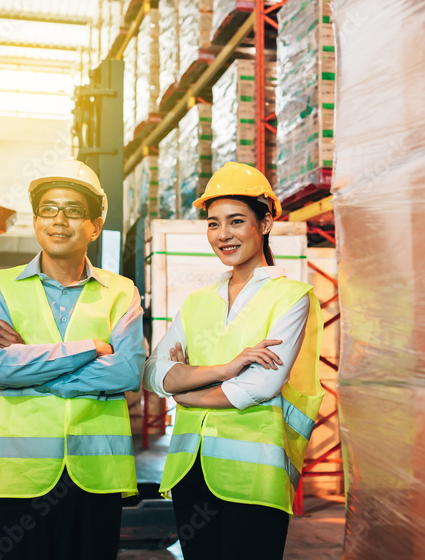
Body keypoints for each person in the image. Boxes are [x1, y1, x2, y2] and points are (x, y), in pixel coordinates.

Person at [142, 162, 324, 560]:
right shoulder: (196, 302)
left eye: (236, 221)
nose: (223, 235)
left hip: (254, 475)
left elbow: (261, 385)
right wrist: (226, 370)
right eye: (213, 223)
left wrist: (188, 392)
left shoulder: (290, 297)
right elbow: (154, 373)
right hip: (191, 471)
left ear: (266, 223)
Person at [0, 159, 144, 560]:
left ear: (95, 226)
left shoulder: (121, 291)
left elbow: (129, 369)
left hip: (96, 475)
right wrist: (91, 349)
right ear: (36, 221)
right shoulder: (0, 287)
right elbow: (0, 367)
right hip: (17, 476)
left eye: (73, 211)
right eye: (48, 209)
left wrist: (31, 368)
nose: (59, 220)